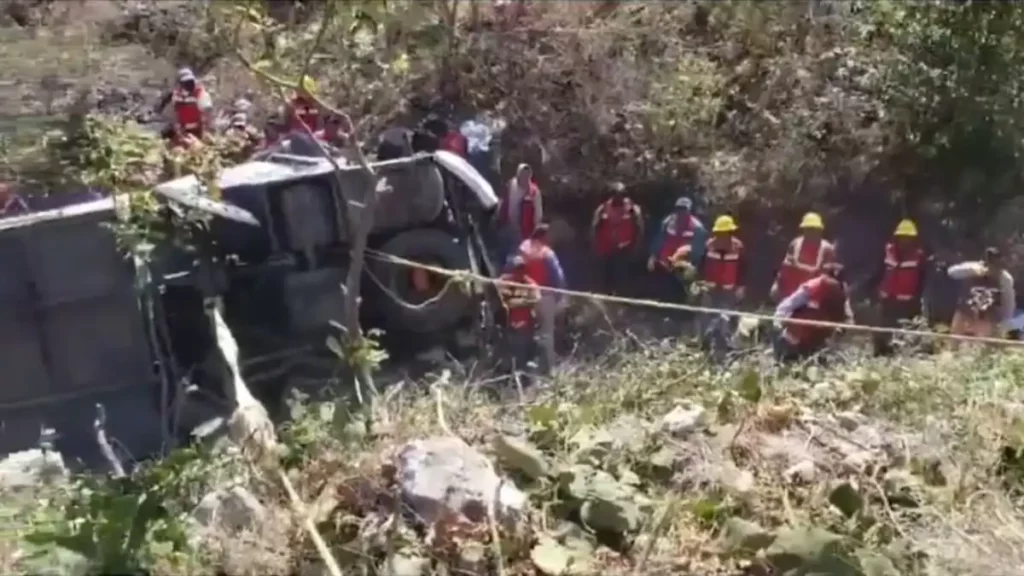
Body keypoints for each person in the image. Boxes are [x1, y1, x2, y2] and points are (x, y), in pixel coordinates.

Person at [863, 219, 930, 355]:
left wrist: (921, 301)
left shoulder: (919, 256)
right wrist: (869, 291)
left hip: (908, 305)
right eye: (902, 238)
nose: (905, 241)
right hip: (886, 303)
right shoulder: (887, 252)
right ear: (897, 238)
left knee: (905, 336)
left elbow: (923, 280)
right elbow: (877, 272)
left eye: (908, 238)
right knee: (881, 334)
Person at [773, 262, 854, 363]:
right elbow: (786, 306)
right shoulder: (814, 286)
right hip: (795, 339)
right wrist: (778, 325)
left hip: (816, 343)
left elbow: (847, 319)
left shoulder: (841, 294)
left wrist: (839, 331)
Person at [692, 215, 746, 359]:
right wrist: (699, 282)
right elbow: (701, 265)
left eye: (726, 234)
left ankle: (724, 346)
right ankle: (703, 343)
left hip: (729, 290)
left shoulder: (738, 247)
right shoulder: (709, 245)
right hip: (710, 289)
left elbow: (744, 268)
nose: (723, 237)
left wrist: (741, 287)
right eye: (720, 234)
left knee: (725, 317)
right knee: (705, 314)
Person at [517, 223, 566, 375]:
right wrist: (561, 297)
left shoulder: (522, 248)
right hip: (545, 296)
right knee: (547, 332)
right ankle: (549, 367)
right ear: (544, 237)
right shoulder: (547, 253)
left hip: (525, 295)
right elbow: (558, 277)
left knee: (528, 330)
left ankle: (526, 363)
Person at [946, 247, 1016, 339]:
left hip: (987, 315)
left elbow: (1008, 302)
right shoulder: (973, 268)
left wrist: (1005, 322)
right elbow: (951, 272)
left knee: (981, 343)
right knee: (955, 339)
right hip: (965, 311)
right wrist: (972, 271)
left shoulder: (1004, 278)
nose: (990, 269)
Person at [648, 196, 707, 303]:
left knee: (681, 292)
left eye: (684, 209)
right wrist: (653, 257)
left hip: (682, 267)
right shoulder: (668, 222)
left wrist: (691, 265)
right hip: (664, 263)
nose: (681, 212)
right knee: (663, 289)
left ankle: (679, 315)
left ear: (689, 210)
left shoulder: (697, 227)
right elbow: (659, 239)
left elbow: (698, 249)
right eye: (679, 208)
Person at [771, 211, 837, 303]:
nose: (810, 232)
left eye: (813, 229)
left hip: (814, 288)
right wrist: (777, 284)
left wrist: (797, 265)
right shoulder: (796, 243)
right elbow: (785, 265)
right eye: (807, 229)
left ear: (819, 230)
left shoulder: (826, 248)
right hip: (793, 287)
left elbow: (821, 272)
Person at [591, 182, 643, 295]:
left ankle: (623, 302)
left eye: (621, 194)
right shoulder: (602, 209)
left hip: (625, 250)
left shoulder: (633, 209)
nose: (618, 196)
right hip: (605, 250)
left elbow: (639, 229)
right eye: (615, 193)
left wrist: (636, 248)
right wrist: (595, 247)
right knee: (605, 280)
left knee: (623, 279)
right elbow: (594, 228)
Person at [498, 255, 541, 376]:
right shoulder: (504, 281)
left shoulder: (529, 284)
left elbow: (537, 298)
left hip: (525, 325)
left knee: (522, 353)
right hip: (506, 325)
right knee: (508, 353)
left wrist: (517, 303)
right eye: (517, 269)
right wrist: (516, 303)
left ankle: (522, 375)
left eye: (522, 269)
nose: (520, 272)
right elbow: (499, 299)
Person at [498, 163, 543, 259]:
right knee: (504, 250)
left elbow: (538, 214)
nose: (524, 178)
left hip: (524, 231)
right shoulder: (511, 184)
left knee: (518, 256)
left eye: (526, 175)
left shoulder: (534, 192)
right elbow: (503, 200)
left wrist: (534, 233)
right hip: (508, 224)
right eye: (522, 174)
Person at [169, 68, 213, 141]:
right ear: (180, 83)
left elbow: (207, 114)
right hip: (182, 130)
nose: (188, 83)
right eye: (185, 82)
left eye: (190, 81)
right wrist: (177, 128)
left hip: (198, 130)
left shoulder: (200, 93)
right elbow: (174, 112)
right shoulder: (176, 94)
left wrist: (205, 132)